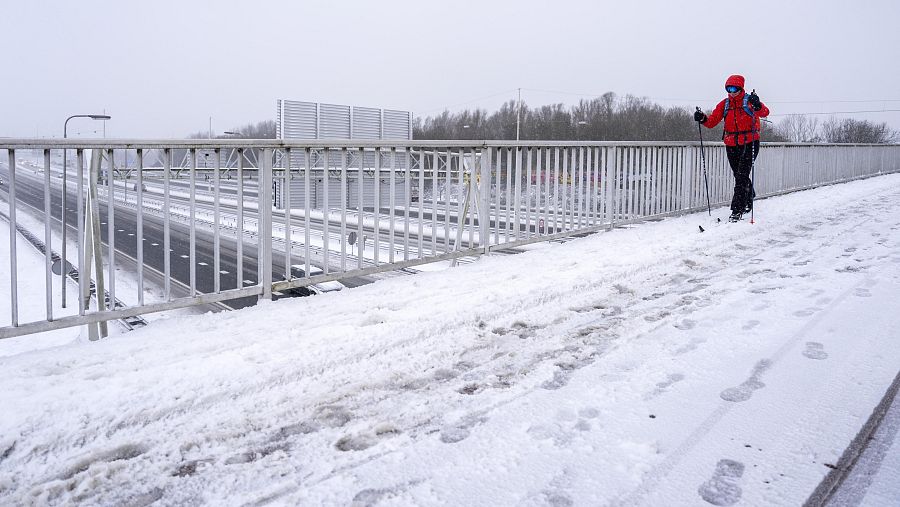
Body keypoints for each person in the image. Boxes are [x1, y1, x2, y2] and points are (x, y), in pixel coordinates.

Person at [694, 75, 770, 222]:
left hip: (750, 142)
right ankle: (749, 196)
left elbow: (765, 112)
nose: (731, 91)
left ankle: (737, 209)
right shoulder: (725, 104)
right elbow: (711, 121)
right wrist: (702, 118)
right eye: (728, 88)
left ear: (741, 88)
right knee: (738, 175)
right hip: (731, 143)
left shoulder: (749, 101)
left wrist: (758, 105)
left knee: (741, 175)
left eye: (734, 88)